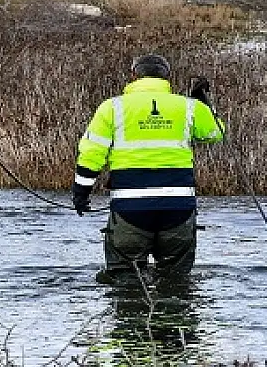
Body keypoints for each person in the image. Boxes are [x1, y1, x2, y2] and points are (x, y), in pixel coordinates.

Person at [72, 54, 224, 284]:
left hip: (130, 208)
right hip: (178, 207)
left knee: (124, 279)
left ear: (134, 75)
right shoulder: (189, 107)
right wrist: (203, 104)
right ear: (167, 77)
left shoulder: (112, 107)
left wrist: (80, 194)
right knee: (176, 282)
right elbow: (216, 134)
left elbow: (92, 154)